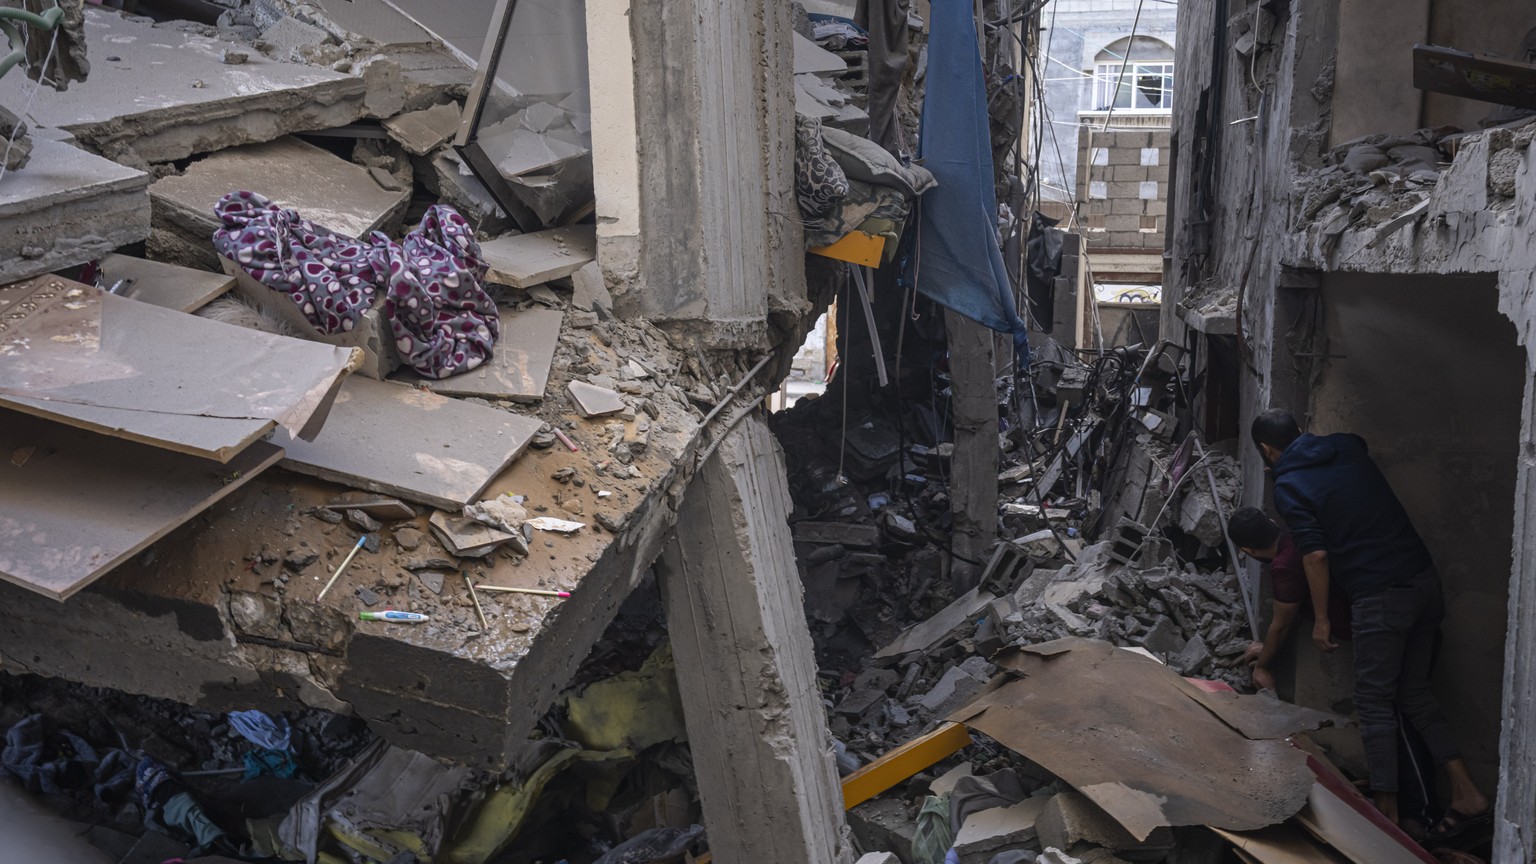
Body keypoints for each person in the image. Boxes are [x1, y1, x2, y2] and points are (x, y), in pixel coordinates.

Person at [1250, 408, 1490, 837]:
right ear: (1301, 432)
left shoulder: (1289, 485)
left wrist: (1322, 619)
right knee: (1415, 693)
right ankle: (1466, 793)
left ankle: (1387, 814)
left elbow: (1316, 554)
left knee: (1375, 701)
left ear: (1268, 451)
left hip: (1380, 595)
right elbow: (1355, 441)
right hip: (1423, 580)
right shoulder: (1343, 445)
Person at [1226, 507, 1352, 693]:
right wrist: (1268, 649)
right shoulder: (1299, 535)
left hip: (1359, 623)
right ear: (1272, 523)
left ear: (1248, 550)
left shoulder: (1284, 567)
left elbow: (1281, 625)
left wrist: (1261, 667)